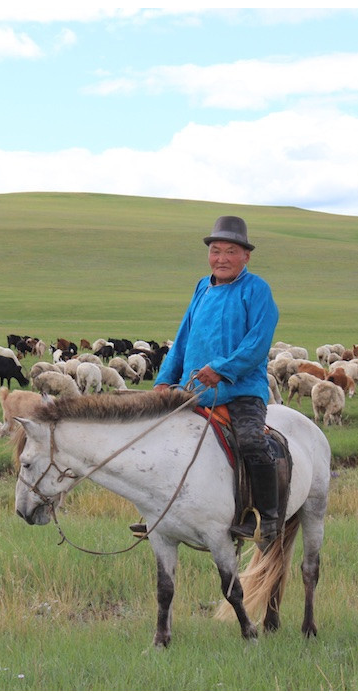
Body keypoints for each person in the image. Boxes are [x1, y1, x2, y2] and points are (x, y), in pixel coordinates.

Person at [147, 215, 282, 550]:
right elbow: (182, 339)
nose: (222, 258)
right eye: (216, 250)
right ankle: (162, 512)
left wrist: (222, 369)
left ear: (246, 256)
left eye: (231, 251)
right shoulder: (201, 287)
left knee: (250, 441)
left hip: (241, 389)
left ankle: (267, 517)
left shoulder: (257, 290)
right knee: (159, 440)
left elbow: (258, 342)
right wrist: (164, 380)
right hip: (194, 390)